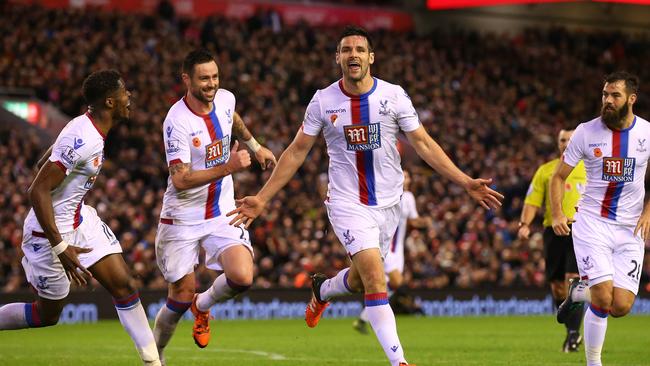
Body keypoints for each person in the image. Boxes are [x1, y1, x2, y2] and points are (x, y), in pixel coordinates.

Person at [227, 26, 503, 366]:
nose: (353, 55)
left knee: (359, 280)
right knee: (375, 276)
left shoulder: (394, 96)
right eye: (346, 50)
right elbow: (297, 152)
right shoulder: (324, 100)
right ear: (338, 58)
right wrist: (264, 197)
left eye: (359, 49)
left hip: (389, 204)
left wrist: (464, 181)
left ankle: (323, 290)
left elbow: (424, 143)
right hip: (347, 202)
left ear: (371, 57)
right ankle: (399, 361)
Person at [0, 70, 161, 365]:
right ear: (110, 102)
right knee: (46, 315)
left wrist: (57, 158)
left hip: (79, 220)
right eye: (125, 92)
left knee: (124, 284)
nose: (130, 97)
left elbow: (43, 163)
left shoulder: (85, 129)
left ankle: (154, 362)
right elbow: (37, 191)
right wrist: (61, 248)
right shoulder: (84, 137)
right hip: (48, 235)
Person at [152, 49, 276, 364]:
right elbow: (180, 179)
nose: (211, 84)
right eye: (204, 78)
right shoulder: (176, 121)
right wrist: (229, 166)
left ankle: (203, 306)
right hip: (182, 218)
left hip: (221, 211)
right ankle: (155, 357)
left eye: (215, 77)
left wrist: (255, 146)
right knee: (178, 296)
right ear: (186, 79)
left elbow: (233, 118)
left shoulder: (225, 99)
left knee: (243, 276)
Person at [551, 71, 649, 366]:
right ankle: (594, 363)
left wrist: (648, 212)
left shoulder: (646, 133)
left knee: (620, 306)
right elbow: (558, 177)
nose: (607, 100)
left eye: (615, 95)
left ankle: (580, 290)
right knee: (603, 299)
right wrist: (557, 212)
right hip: (592, 223)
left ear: (631, 99)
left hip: (630, 229)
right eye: (605, 94)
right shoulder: (585, 132)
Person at [517, 128, 587, 352]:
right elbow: (532, 201)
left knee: (573, 280)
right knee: (557, 286)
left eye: (570, 139)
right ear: (558, 144)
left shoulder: (590, 168)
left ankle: (575, 334)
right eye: (562, 140)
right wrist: (525, 224)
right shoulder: (546, 171)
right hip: (552, 232)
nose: (566, 143)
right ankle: (571, 332)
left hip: (580, 230)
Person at [353, 170, 430, 334]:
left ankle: (363, 318)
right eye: (403, 175)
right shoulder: (387, 194)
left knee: (389, 286)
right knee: (396, 282)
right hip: (386, 246)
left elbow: (414, 220)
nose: (406, 179)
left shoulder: (409, 197)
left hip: (399, 249)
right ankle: (376, 318)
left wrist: (425, 221)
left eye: (408, 176)